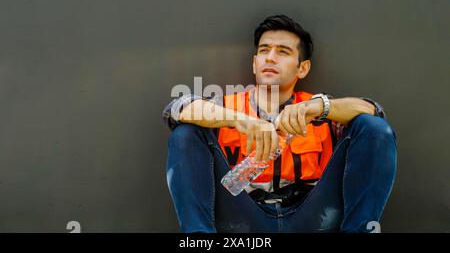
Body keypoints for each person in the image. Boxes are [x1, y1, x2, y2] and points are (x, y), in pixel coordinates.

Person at [162, 14, 397, 233]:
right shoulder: (225, 106)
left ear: (302, 68)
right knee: (185, 133)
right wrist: (241, 121)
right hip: (242, 217)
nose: (271, 57)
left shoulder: (319, 111)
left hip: (313, 216)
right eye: (264, 50)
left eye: (283, 52)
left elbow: (375, 115)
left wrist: (321, 107)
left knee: (374, 128)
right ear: (255, 63)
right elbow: (176, 109)